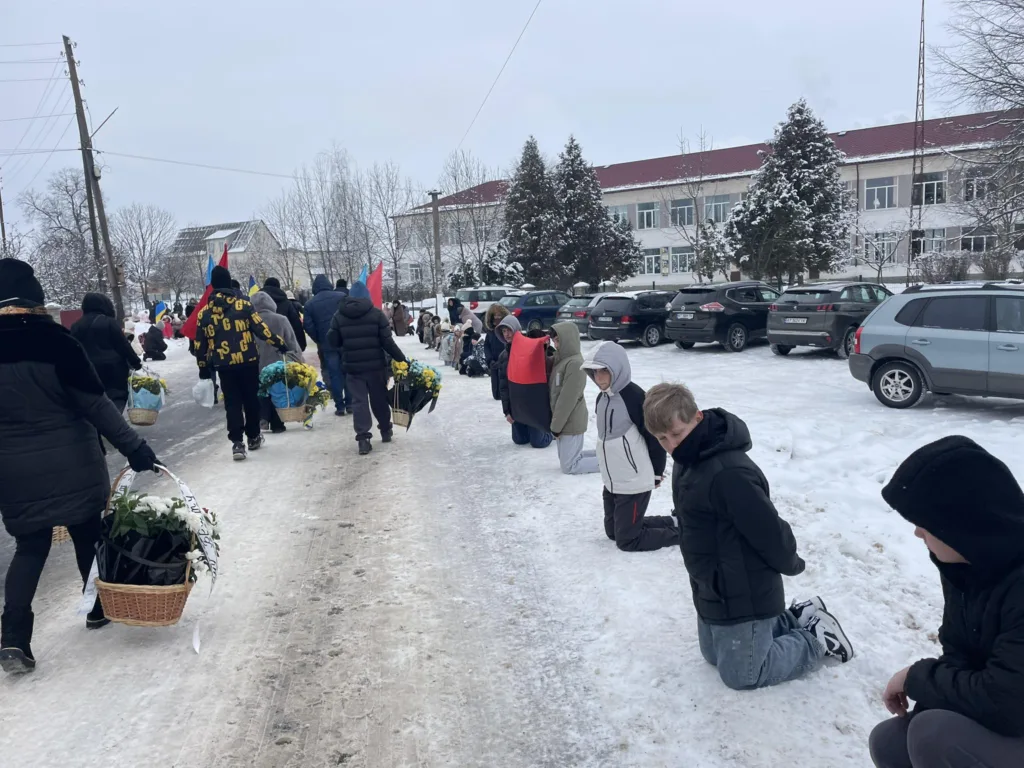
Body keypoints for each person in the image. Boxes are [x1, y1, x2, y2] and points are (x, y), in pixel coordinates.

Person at [0, 259, 160, 674]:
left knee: (30, 547)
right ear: (35, 300)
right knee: (88, 532)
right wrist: (135, 448)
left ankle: (14, 638)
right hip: (74, 460)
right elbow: (95, 404)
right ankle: (96, 608)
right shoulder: (57, 342)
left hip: (12, 471)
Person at [641, 382, 852, 689]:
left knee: (743, 674)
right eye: (662, 439)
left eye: (676, 433)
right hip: (712, 587)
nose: (671, 445)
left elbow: (769, 530)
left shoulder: (728, 473)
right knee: (712, 656)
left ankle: (817, 638)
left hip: (744, 592)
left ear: (697, 418)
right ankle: (797, 616)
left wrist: (791, 563)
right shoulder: (689, 461)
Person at [868, 436, 1024, 768]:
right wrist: (929, 695)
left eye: (925, 525)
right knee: (890, 742)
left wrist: (915, 678)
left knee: (933, 734)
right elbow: (960, 654)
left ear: (962, 528)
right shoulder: (967, 569)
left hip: (1015, 715)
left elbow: (1007, 703)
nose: (918, 534)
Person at [578, 342, 674, 552]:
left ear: (617, 368)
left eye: (604, 370)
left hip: (634, 481)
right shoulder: (601, 398)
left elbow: (654, 436)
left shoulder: (635, 397)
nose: (599, 377)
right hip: (613, 481)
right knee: (613, 532)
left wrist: (656, 472)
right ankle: (673, 522)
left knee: (628, 540)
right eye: (594, 372)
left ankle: (686, 532)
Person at [194, 266, 286, 461]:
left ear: (213, 286)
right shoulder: (243, 305)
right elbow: (261, 329)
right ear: (228, 283)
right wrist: (279, 344)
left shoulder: (204, 314)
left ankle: (237, 443)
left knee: (232, 403)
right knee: (251, 400)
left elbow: (199, 345)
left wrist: (203, 367)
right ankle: (253, 436)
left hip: (223, 365)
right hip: (248, 361)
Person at [326, 280, 407, 456]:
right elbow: (387, 342)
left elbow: (333, 342)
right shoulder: (377, 315)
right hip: (376, 367)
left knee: (359, 402)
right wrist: (402, 359)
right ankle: (385, 429)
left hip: (353, 368)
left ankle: (363, 438)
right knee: (378, 399)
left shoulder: (339, 316)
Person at [70, 292, 143, 415]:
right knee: (116, 398)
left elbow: (73, 348)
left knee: (97, 399)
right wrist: (135, 362)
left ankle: (101, 426)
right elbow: (123, 345)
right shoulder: (109, 322)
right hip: (114, 370)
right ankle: (112, 424)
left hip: (88, 369)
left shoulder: (76, 325)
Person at [495, 315, 553, 449]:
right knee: (519, 440)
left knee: (538, 443)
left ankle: (550, 432)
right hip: (516, 405)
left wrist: (544, 347)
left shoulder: (529, 348)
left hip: (533, 403)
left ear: (517, 330)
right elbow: (503, 387)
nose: (507, 334)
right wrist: (507, 411)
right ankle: (528, 428)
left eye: (509, 330)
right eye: (504, 331)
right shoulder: (504, 356)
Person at [548, 322, 598, 475]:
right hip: (564, 421)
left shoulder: (575, 364)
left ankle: (613, 463)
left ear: (567, 339)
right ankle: (606, 456)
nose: (555, 344)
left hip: (571, 420)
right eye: (554, 340)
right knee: (570, 459)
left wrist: (556, 427)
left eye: (558, 340)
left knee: (570, 466)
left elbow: (567, 400)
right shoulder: (563, 360)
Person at [250, 291, 302, 434]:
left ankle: (263, 417)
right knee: (277, 391)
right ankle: (277, 423)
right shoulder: (281, 319)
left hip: (256, 362)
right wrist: (299, 359)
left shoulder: (249, 321)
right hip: (278, 361)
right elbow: (291, 341)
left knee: (261, 390)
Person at [303, 274, 350, 416]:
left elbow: (308, 326)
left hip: (327, 344)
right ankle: (350, 403)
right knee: (348, 372)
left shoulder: (310, 304)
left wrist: (319, 339)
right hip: (344, 341)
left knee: (334, 374)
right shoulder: (341, 296)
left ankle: (339, 406)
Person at [262, 278, 307, 352]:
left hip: (262, 348)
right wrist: (301, 345)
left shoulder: (256, 304)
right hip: (285, 346)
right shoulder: (287, 303)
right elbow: (296, 325)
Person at [483, 304, 510, 401]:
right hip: (493, 360)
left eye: (499, 315)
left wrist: (503, 360)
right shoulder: (490, 331)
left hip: (505, 361)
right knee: (496, 392)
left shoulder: (506, 331)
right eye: (495, 316)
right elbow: (486, 345)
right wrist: (489, 359)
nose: (497, 318)